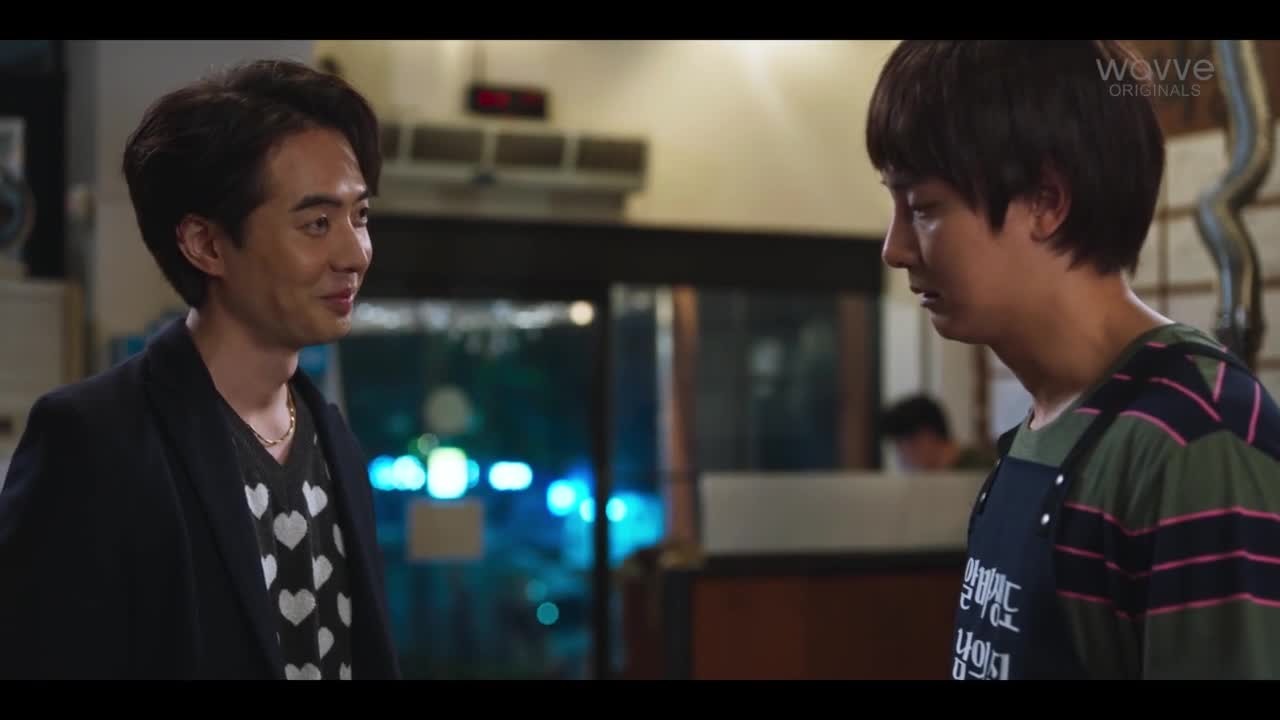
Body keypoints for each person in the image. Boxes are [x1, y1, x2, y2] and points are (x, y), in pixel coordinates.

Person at [867, 40, 1280, 680]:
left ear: (1046, 200)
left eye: (922, 208)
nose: (894, 249)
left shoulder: (1194, 439)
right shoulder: (1042, 428)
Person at [0, 59, 400, 680]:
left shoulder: (334, 440)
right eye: (317, 224)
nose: (354, 253)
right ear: (206, 244)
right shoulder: (96, 440)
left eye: (361, 216)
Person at [880, 394, 997, 471]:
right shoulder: (934, 479)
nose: (901, 458)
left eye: (901, 447)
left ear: (926, 437)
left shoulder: (983, 469)